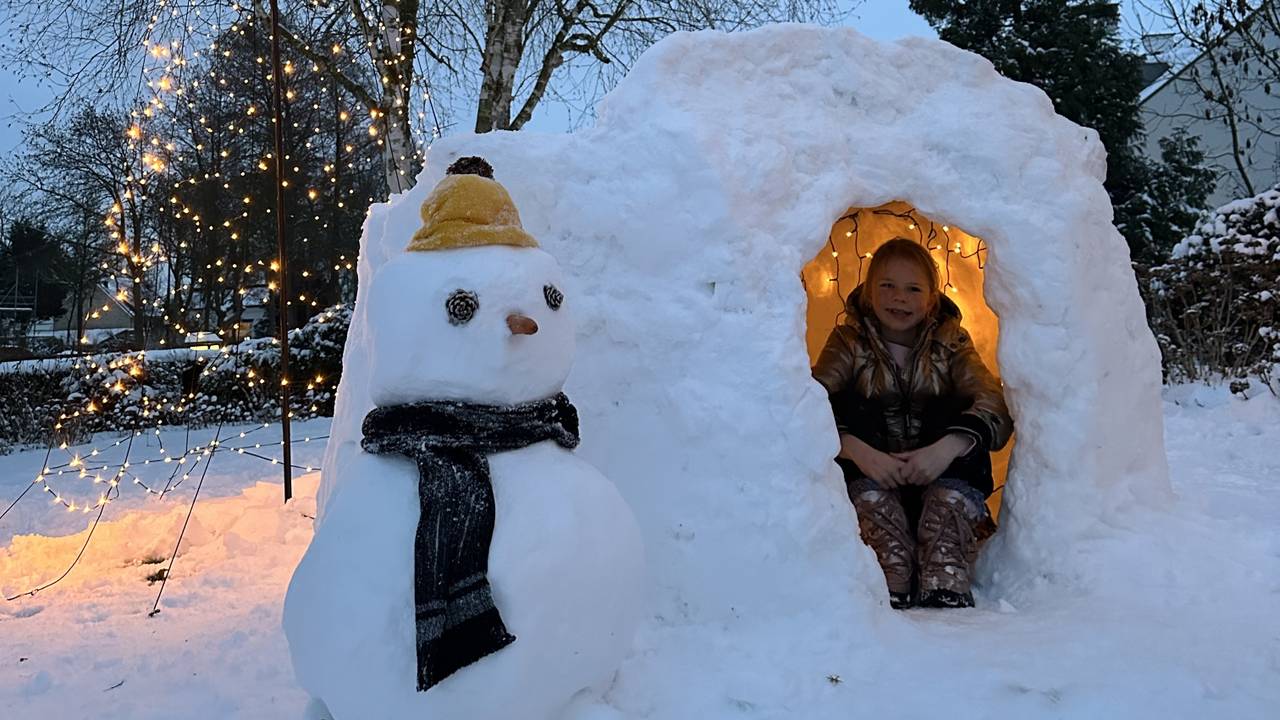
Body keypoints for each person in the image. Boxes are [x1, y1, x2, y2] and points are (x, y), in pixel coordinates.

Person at [812, 238, 1012, 609]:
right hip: (873, 475)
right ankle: (889, 559)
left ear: (932, 299)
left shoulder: (950, 342)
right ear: (869, 292)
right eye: (886, 285)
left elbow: (993, 403)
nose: (898, 298)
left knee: (961, 421)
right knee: (850, 408)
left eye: (913, 288)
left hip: (940, 476)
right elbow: (808, 401)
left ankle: (944, 554)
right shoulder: (848, 342)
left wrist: (946, 448)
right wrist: (856, 450)